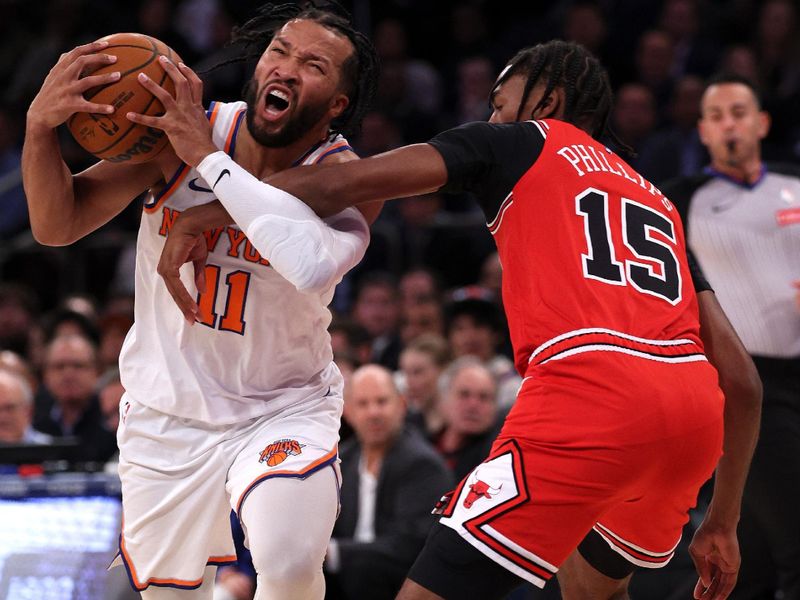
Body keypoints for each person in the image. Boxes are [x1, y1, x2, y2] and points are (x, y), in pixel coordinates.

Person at [150, 40, 760, 600]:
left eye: (500, 104)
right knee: (594, 588)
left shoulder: (524, 140)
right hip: (689, 417)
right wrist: (723, 524)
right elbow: (743, 383)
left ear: (546, 102)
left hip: (590, 393)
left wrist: (212, 202)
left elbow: (347, 182)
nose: (492, 119)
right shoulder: (656, 197)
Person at [22, 2, 379, 598]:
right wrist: (39, 129)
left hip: (282, 407)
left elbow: (309, 263)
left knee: (288, 561)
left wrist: (207, 163)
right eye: (279, 51)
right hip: (168, 415)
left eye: (312, 64)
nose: (286, 68)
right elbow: (58, 226)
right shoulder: (181, 131)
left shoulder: (346, 178)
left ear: (337, 104)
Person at [661, 73, 799, 600]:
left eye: (739, 112)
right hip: (750, 389)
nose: (729, 125)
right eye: (716, 116)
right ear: (702, 132)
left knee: (757, 561)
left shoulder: (795, 183)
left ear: (762, 122)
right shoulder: (680, 201)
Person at [326, 364, 453, 600]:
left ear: (402, 405)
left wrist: (333, 553)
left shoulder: (422, 465)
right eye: (363, 404)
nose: (373, 412)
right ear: (348, 412)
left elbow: (410, 547)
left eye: (382, 401)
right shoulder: (341, 461)